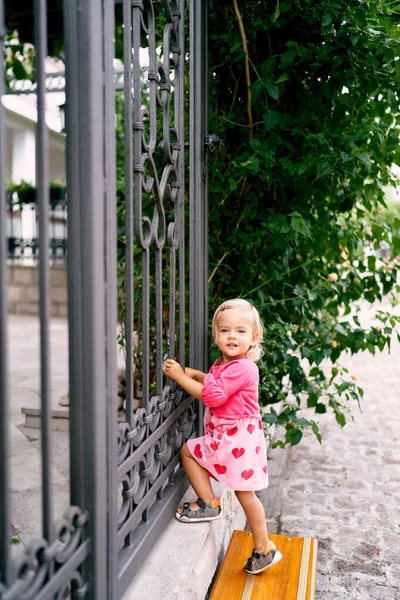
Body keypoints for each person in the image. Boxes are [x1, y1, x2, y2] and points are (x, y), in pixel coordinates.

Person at [165, 298, 282, 575]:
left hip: (234, 437)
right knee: (247, 495)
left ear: (253, 338)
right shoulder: (228, 363)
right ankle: (263, 549)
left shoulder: (243, 367)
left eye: (241, 331)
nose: (232, 336)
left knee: (189, 451)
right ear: (215, 334)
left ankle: (208, 504)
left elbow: (215, 397)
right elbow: (218, 382)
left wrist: (182, 377)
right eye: (226, 330)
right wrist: (200, 375)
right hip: (239, 436)